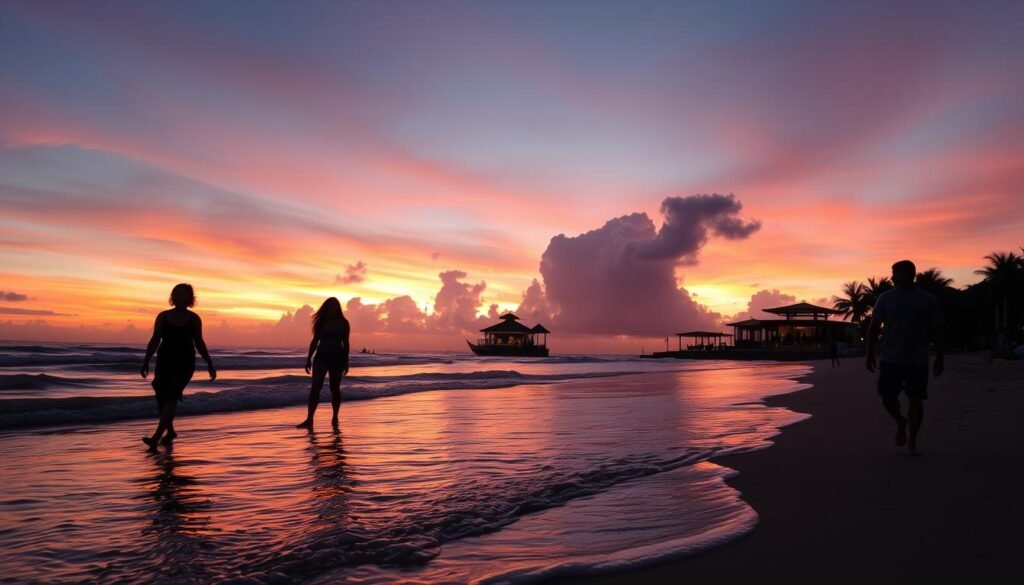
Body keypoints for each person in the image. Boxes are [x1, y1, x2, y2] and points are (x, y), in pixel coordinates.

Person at [865, 260, 944, 456]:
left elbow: (937, 329)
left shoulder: (927, 299)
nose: (892, 277)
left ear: (909, 274)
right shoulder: (885, 298)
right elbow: (874, 327)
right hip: (890, 357)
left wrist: (940, 356)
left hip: (918, 359)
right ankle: (901, 420)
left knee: (916, 400)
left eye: (896, 273)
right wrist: (869, 353)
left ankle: (912, 441)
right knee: (887, 398)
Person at [141, 283, 216, 450]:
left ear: (190, 298)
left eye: (183, 294)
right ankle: (170, 431)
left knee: (172, 395)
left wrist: (209, 362)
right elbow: (155, 339)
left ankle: (156, 437)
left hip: (185, 362)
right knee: (161, 395)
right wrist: (146, 360)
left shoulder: (194, 319)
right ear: (172, 297)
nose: (179, 296)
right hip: (164, 360)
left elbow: (199, 342)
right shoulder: (163, 316)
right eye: (176, 293)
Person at [297, 297, 350, 429]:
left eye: (334, 306)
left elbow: (346, 343)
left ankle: (335, 417)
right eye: (329, 306)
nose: (331, 309)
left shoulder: (343, 323)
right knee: (315, 387)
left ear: (338, 308)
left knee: (334, 388)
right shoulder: (321, 322)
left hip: (337, 358)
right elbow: (315, 341)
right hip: (321, 357)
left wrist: (346, 361)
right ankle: (309, 419)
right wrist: (309, 359)